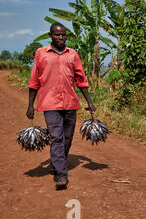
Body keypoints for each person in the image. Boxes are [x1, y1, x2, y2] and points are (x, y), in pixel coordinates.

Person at [26, 23, 96, 190]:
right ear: (50, 35)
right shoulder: (41, 54)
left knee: (67, 137)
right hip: (49, 104)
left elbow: (81, 80)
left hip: (70, 102)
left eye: (63, 35)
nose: (61, 38)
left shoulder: (73, 55)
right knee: (56, 137)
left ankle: (57, 163)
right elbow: (34, 81)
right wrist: (30, 105)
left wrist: (90, 102)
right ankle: (61, 174)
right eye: (57, 35)